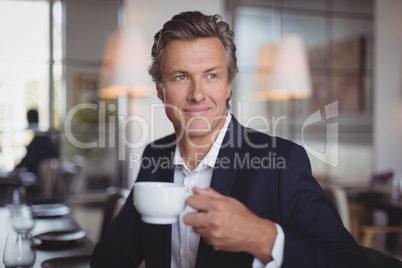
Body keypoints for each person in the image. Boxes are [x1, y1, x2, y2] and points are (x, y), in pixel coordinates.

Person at [91, 11, 369, 267]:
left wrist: (262, 237)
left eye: (211, 75)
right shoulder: (155, 154)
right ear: (161, 91)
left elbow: (351, 262)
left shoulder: (282, 163)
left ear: (228, 86)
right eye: (180, 77)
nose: (197, 94)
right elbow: (114, 251)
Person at [15, 109, 59, 183]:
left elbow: (28, 160)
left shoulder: (38, 141)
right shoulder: (45, 139)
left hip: (38, 184)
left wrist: (15, 170)